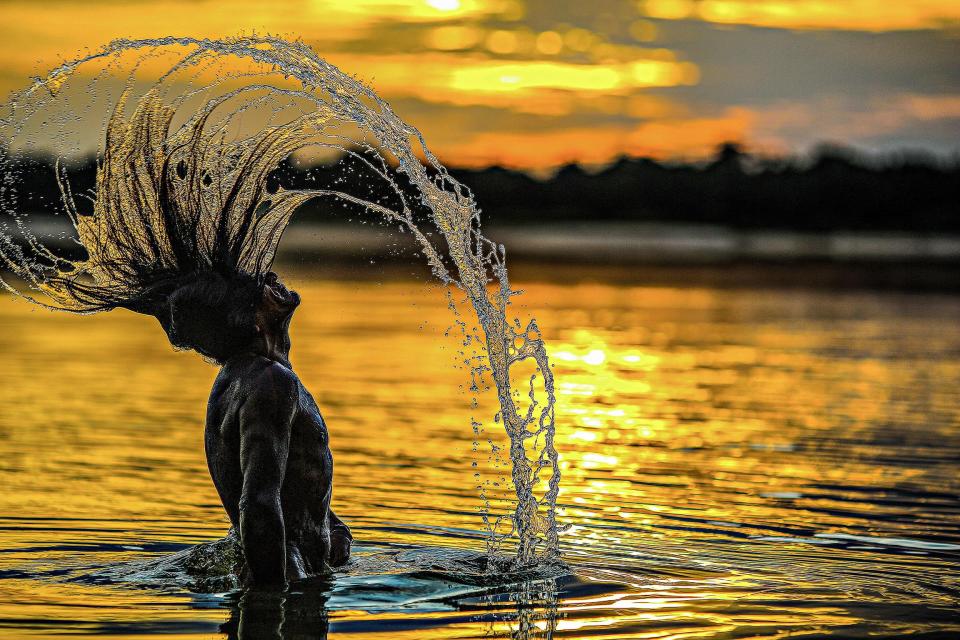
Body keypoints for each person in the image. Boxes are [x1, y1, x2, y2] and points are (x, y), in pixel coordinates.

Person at [0, 87, 353, 587]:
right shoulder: (270, 383)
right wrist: (274, 608)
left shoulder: (242, 379)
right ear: (254, 320)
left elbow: (284, 491)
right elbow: (256, 505)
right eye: (260, 286)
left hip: (298, 569)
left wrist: (330, 531)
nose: (272, 279)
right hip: (287, 583)